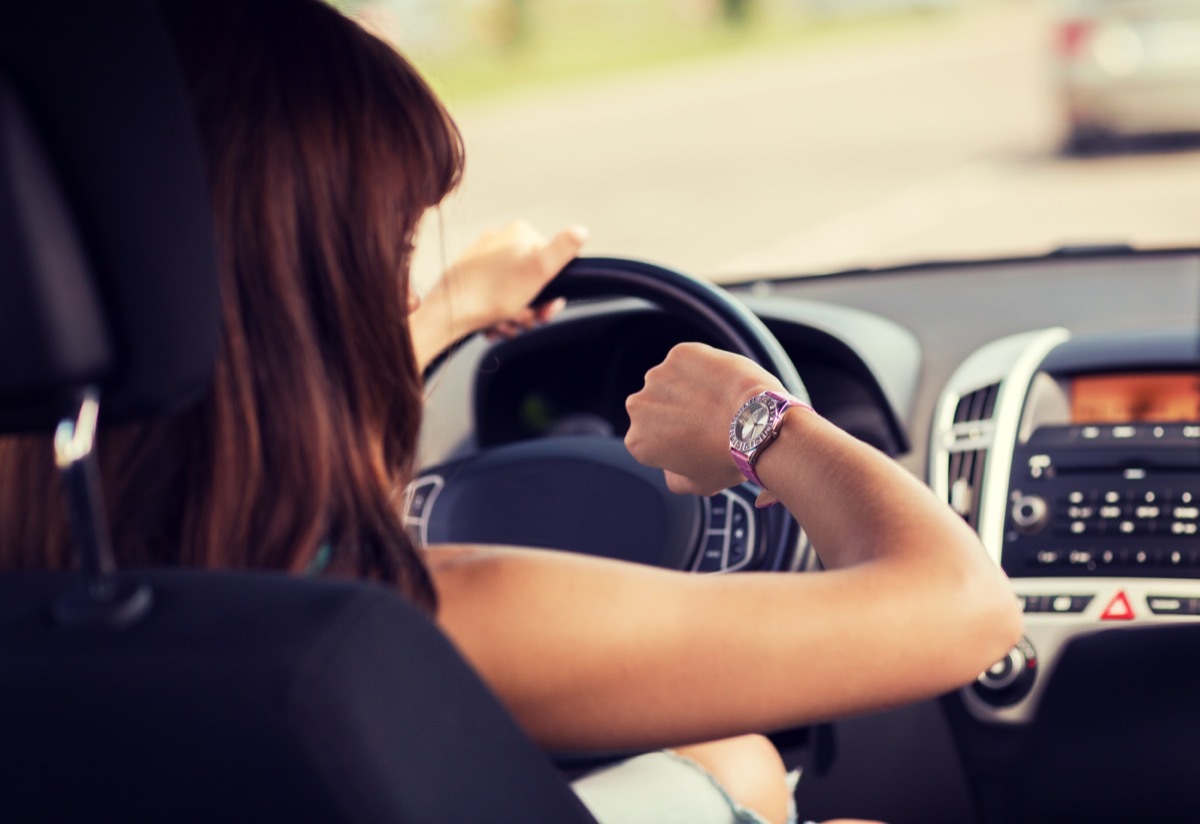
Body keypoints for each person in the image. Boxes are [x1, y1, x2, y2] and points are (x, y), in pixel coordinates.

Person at [0, 1, 1023, 822]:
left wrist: (442, 311)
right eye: (395, 257)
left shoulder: (60, 595)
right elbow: (961, 608)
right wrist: (760, 420)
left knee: (735, 759)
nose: (405, 289)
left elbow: (245, 406)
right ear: (305, 298)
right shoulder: (408, 621)